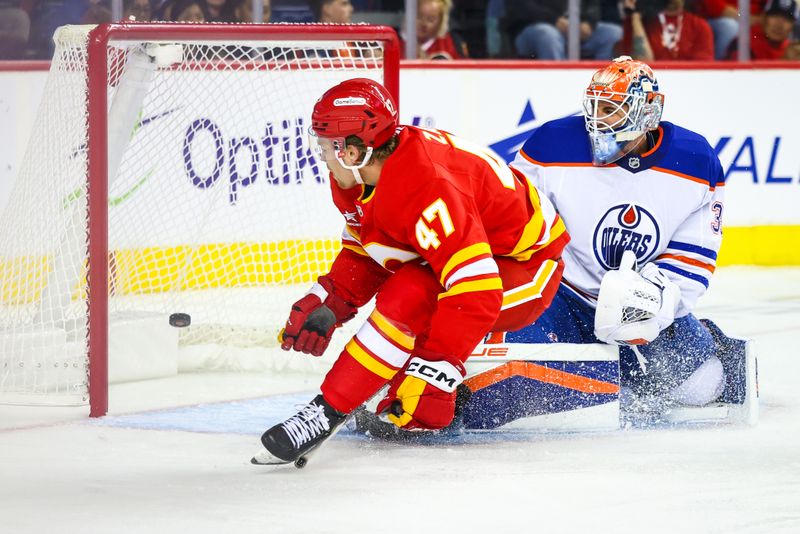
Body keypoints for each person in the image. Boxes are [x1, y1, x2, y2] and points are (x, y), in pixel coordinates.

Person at [252, 78, 569, 465]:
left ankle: (326, 411)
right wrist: (334, 300)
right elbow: (374, 250)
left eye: (325, 147)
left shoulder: (427, 187)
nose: (322, 156)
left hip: (527, 267)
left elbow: (476, 289)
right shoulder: (369, 175)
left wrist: (438, 367)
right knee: (408, 290)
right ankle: (357, 394)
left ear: (352, 151)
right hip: (482, 252)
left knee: (410, 295)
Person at [504, 56, 754, 421]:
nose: (598, 121)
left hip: (644, 299)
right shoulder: (551, 145)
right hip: (560, 290)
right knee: (519, 369)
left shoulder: (696, 160)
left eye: (612, 109)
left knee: (700, 389)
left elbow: (695, 255)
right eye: (595, 107)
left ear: (649, 112)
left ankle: (708, 341)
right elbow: (514, 218)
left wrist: (656, 300)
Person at [505, 0, 623, 60]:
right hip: (532, 29)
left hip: (575, 28)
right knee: (548, 35)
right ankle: (557, 86)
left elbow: (593, 6)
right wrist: (554, 20)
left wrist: (589, 24)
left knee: (612, 33)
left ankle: (600, 86)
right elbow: (522, 7)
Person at [619, 0, 714, 61]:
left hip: (688, 84)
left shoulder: (700, 26)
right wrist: (636, 16)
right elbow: (641, 66)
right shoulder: (639, 22)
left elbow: (702, 71)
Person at [729, 0, 799, 59]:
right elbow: (738, 73)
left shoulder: (792, 49)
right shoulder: (744, 44)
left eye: (787, 19)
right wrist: (784, 61)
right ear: (763, 18)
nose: (779, 25)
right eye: (775, 15)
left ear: (792, 26)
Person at [401, 0, 468, 59]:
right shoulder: (396, 42)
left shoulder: (449, 44)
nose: (424, 24)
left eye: (430, 19)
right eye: (419, 17)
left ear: (441, 22)